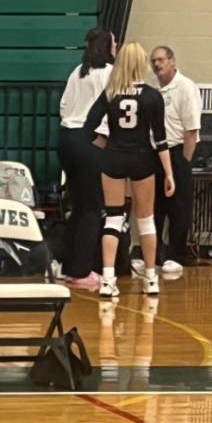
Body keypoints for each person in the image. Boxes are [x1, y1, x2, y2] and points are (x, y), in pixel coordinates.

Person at [84, 41, 174, 300]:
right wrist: (168, 173)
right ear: (141, 63)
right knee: (145, 220)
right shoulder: (152, 96)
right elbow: (160, 138)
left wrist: (103, 146)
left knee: (113, 218)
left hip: (112, 158)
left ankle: (108, 280)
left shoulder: (110, 93)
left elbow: (89, 126)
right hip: (143, 159)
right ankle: (151, 278)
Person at [132, 45, 201, 279]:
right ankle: (155, 254)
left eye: (161, 60)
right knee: (155, 206)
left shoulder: (185, 87)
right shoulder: (152, 89)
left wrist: (184, 163)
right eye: (153, 61)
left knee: (178, 207)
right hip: (154, 152)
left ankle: (176, 256)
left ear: (172, 61)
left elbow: (191, 130)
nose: (157, 65)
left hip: (177, 150)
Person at [57, 25, 116, 288]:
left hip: (66, 139)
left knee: (78, 205)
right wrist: (100, 140)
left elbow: (63, 107)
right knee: (92, 206)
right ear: (107, 46)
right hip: (88, 140)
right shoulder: (109, 74)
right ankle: (82, 271)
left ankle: (68, 267)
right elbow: (110, 110)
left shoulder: (76, 73)